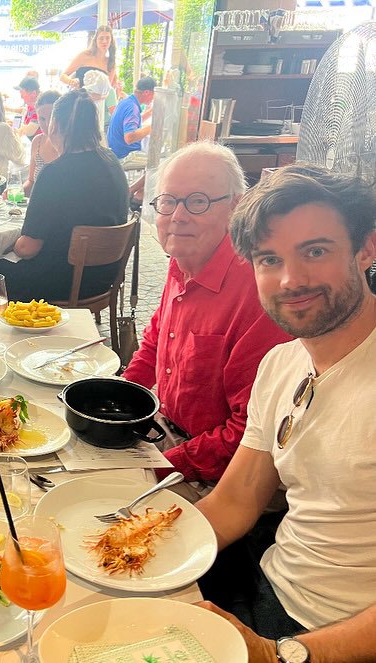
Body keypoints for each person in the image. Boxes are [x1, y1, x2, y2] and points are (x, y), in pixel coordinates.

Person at [194, 164, 376, 661]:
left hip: (330, 638)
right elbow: (236, 501)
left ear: (366, 249)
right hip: (264, 576)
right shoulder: (282, 361)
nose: (291, 279)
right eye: (269, 259)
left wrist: (277, 656)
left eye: (315, 251)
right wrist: (140, 538)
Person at [122, 142, 290, 500]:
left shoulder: (258, 292)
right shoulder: (184, 253)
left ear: (236, 207)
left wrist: (164, 462)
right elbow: (155, 338)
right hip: (171, 433)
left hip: (225, 473)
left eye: (197, 202)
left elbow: (249, 432)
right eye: (168, 201)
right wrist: (121, 397)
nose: (177, 216)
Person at [0, 90, 128, 302]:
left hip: (59, 282)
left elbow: (27, 249)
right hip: (103, 278)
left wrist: (5, 245)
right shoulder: (111, 161)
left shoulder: (55, 173)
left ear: (54, 126)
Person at [107, 76, 155, 160]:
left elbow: (135, 120)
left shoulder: (127, 102)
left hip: (115, 151)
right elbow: (129, 137)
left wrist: (151, 112)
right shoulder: (132, 108)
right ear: (147, 92)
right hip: (124, 156)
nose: (153, 98)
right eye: (154, 95)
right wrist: (153, 127)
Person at [23, 90, 60, 196]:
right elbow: (31, 181)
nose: (48, 124)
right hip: (38, 205)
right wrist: (18, 191)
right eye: (42, 119)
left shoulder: (73, 145)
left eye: (52, 118)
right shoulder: (37, 141)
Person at [60, 25, 119, 92]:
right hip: (78, 97)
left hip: (98, 101)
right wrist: (71, 81)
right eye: (101, 38)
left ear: (111, 41)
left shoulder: (111, 63)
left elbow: (107, 90)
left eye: (107, 38)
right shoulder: (84, 55)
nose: (104, 41)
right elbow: (63, 76)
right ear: (95, 40)